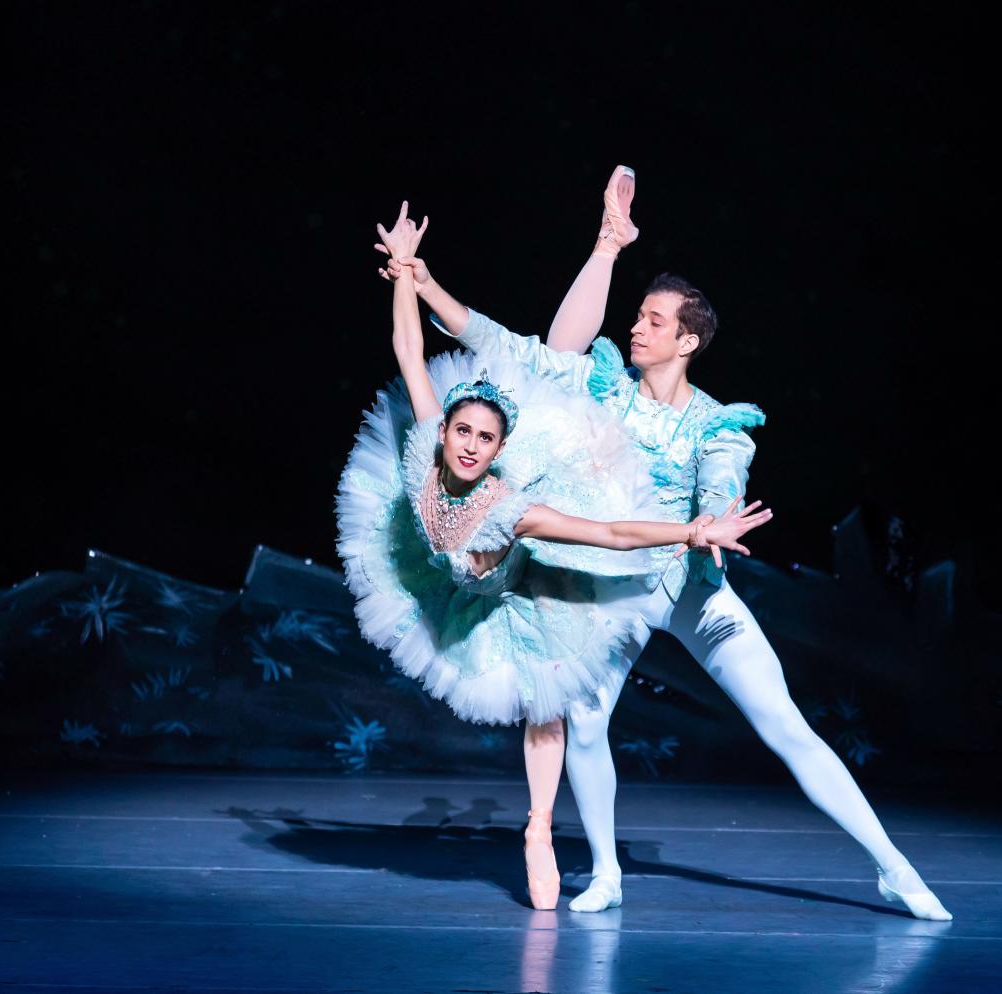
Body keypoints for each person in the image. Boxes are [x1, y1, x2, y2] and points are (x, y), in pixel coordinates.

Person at [378, 168, 953, 922]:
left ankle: (894, 868)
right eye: (639, 317)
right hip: (620, 594)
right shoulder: (605, 386)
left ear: (687, 340)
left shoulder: (718, 425)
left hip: (695, 589)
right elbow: (519, 346)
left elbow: (722, 481)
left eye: (652, 320)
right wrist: (423, 282)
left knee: (785, 724)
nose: (636, 327)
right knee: (585, 720)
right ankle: (608, 871)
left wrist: (712, 521)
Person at [338, 202, 771, 911]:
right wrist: (407, 276)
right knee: (530, 363)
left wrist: (691, 533)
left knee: (549, 701)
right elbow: (409, 351)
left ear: (500, 450)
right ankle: (604, 246)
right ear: (445, 429)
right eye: (464, 432)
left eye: (485, 438)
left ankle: (539, 826)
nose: (472, 445)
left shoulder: (515, 507)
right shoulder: (424, 448)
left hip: (517, 582)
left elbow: (613, 536)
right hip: (447, 579)